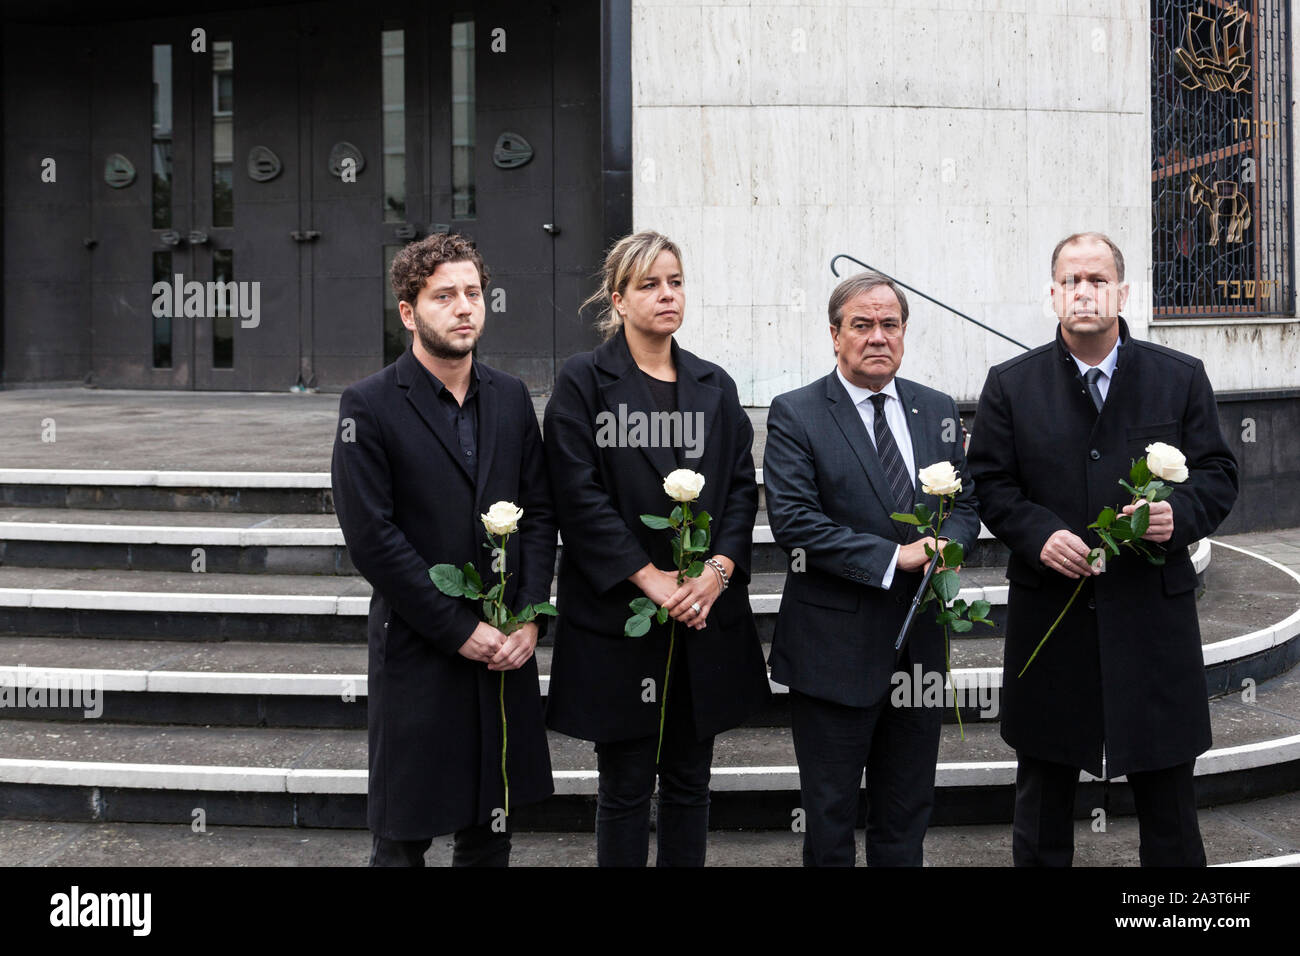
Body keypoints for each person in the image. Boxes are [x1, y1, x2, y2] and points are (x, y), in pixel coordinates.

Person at [967, 231, 1239, 866]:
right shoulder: (1011, 385)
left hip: (1151, 622)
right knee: (1043, 808)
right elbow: (989, 482)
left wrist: (1178, 516)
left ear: (1123, 291)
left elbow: (1219, 475)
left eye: (1096, 280)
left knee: (1170, 813)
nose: (1083, 292)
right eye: (1070, 281)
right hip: (1051, 623)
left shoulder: (1179, 378)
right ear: (1053, 294)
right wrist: (1037, 534)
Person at [543, 230, 771, 866]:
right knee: (623, 787)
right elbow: (578, 498)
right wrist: (651, 579)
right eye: (649, 285)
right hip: (621, 617)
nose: (667, 295)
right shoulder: (584, 382)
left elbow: (736, 490)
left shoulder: (713, 383)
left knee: (691, 784)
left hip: (703, 617)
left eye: (674, 281)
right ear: (619, 300)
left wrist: (719, 572)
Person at [331, 233, 556, 867]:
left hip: (504, 651)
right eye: (444, 297)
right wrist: (457, 626)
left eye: (473, 294)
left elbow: (538, 513)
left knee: (490, 833)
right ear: (409, 312)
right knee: (402, 837)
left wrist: (531, 614)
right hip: (418, 649)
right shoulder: (368, 406)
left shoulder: (511, 396)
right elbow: (372, 538)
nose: (464, 308)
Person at [763, 270, 980, 866]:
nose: (877, 336)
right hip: (832, 652)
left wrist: (945, 545)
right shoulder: (797, 412)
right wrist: (894, 556)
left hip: (919, 651)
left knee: (906, 816)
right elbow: (794, 522)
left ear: (905, 333)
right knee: (830, 821)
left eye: (890, 324)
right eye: (862, 324)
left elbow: (965, 503)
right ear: (835, 335)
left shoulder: (934, 408)